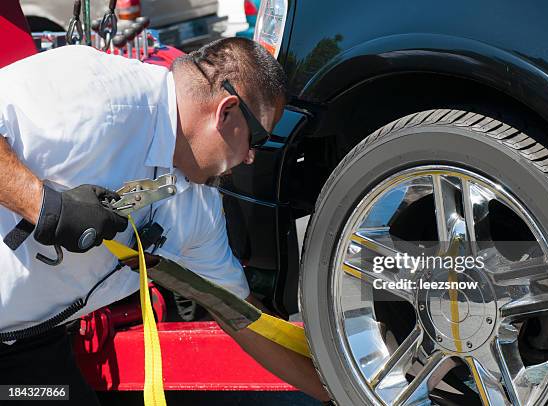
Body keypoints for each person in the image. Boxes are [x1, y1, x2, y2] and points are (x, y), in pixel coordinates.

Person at [0, 38, 331, 404]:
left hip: (27, 350)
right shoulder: (95, 90)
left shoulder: (197, 206)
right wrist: (44, 206)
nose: (252, 157)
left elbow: (239, 315)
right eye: (257, 139)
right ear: (227, 111)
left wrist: (349, 393)